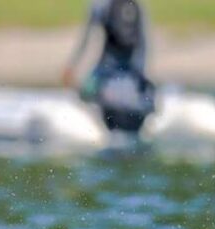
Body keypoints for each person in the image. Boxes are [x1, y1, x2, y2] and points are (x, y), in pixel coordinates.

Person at [61, 0, 154, 132]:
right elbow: (144, 44)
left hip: (106, 73)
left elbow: (86, 40)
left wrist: (71, 67)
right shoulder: (137, 5)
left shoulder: (99, 6)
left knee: (83, 89)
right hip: (132, 74)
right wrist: (141, 76)